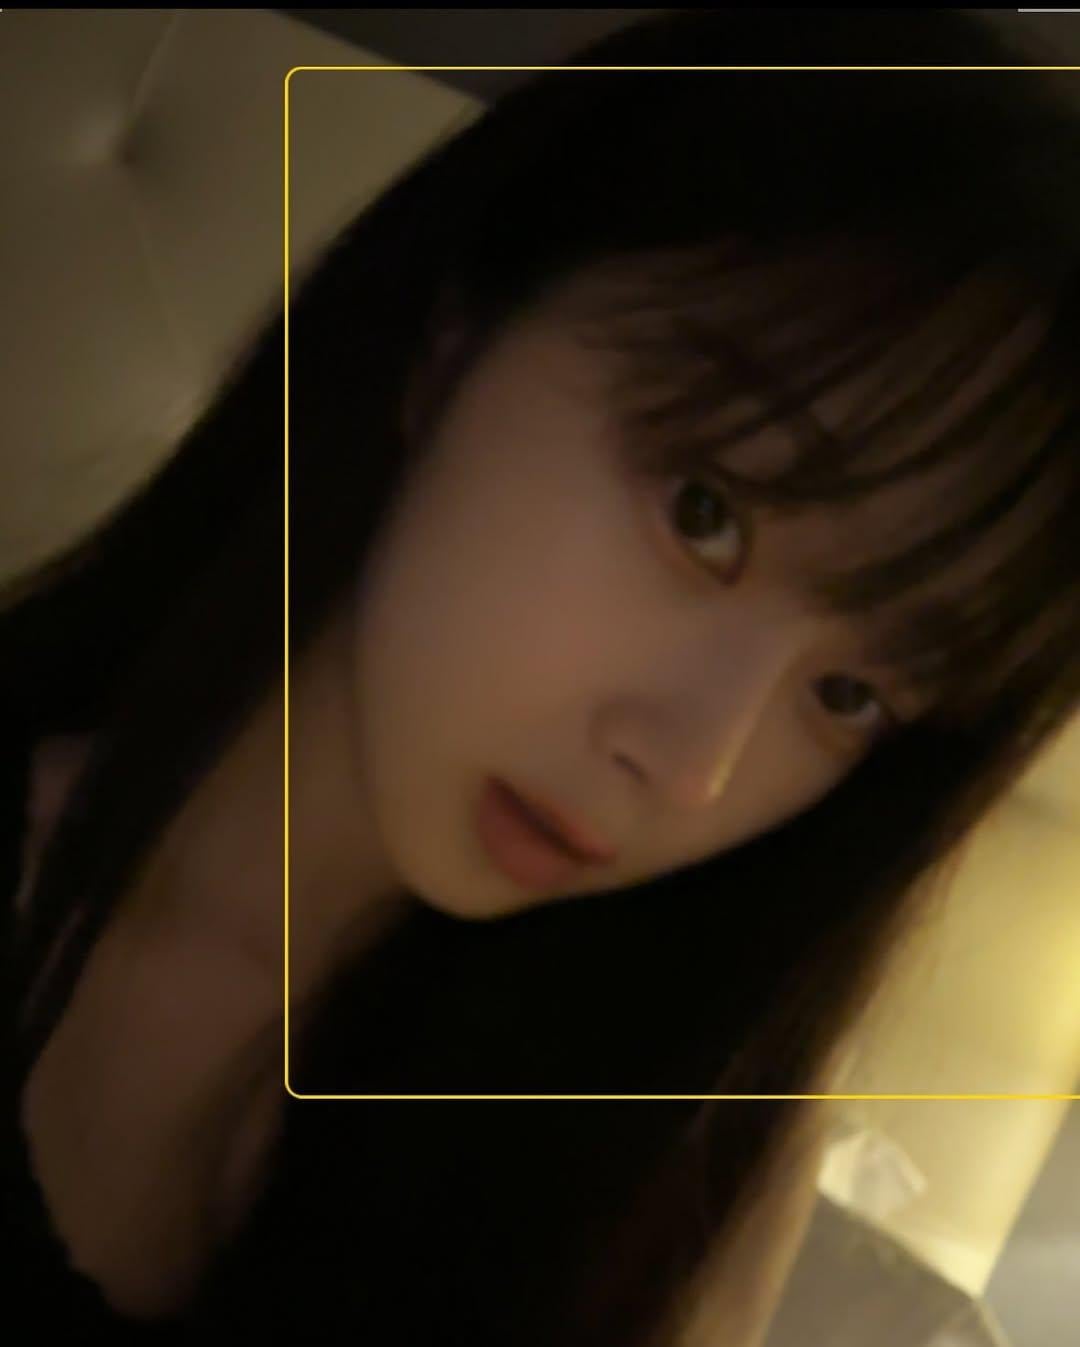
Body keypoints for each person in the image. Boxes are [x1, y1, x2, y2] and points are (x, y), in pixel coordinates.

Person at [4, 9, 1079, 1346]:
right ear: (457, 335)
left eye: (850, 695)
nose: (694, 770)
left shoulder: (670, 1169)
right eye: (706, 517)